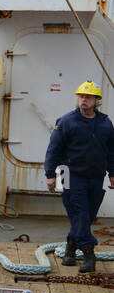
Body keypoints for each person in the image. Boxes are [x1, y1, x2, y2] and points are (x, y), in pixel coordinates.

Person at [45, 81, 114, 273]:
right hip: (71, 175)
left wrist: (113, 174)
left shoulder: (105, 123)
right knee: (81, 213)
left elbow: (111, 152)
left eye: (88, 97)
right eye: (81, 96)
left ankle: (70, 247)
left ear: (96, 101)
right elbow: (53, 150)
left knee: (86, 216)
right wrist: (50, 175)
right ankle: (89, 253)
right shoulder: (67, 121)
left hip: (95, 176)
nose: (84, 100)